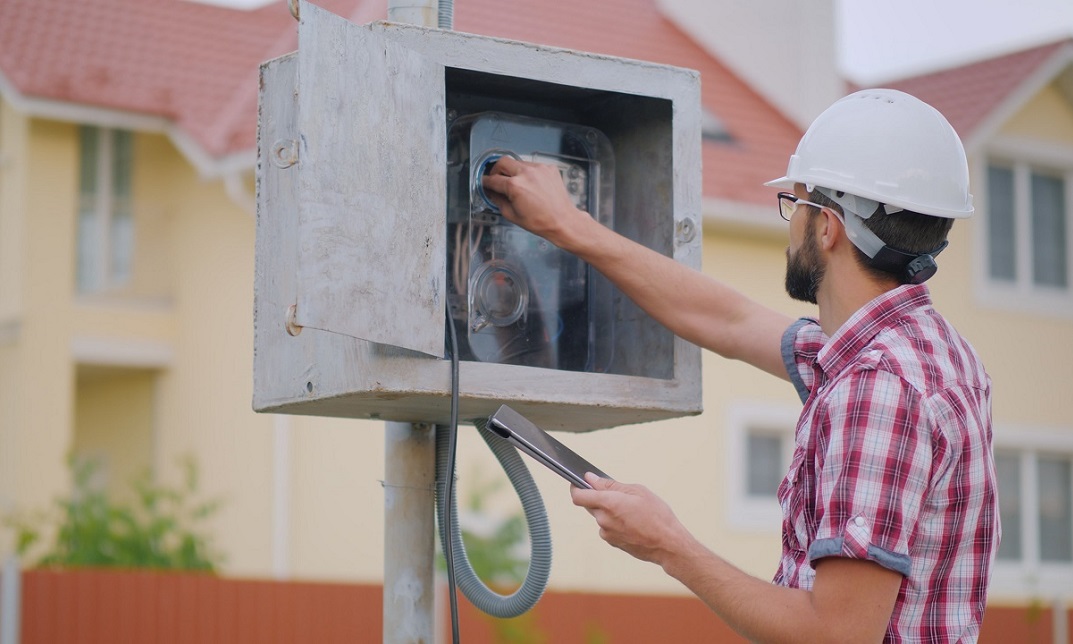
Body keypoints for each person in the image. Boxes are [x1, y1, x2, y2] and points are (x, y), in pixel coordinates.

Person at [481, 88, 999, 643]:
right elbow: (726, 319)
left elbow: (837, 634)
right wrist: (568, 226)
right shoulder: (921, 350)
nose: (789, 225)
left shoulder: (877, 386)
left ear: (828, 227)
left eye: (794, 205)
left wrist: (667, 545)